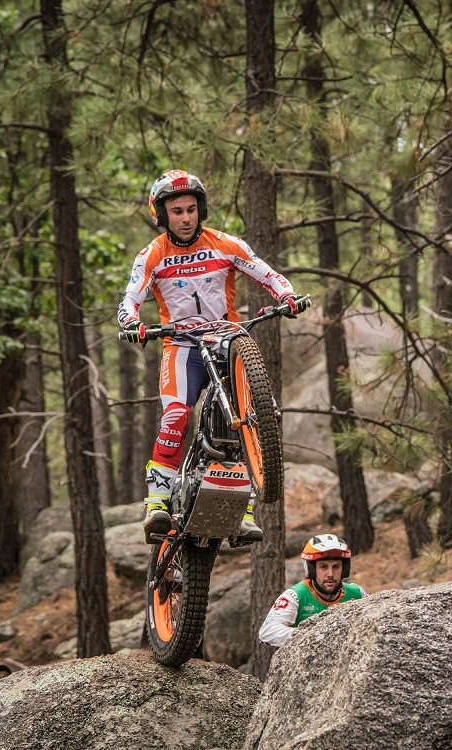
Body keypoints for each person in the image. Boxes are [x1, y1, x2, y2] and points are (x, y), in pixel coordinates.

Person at [118, 169, 304, 544]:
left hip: (225, 342)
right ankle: (157, 501)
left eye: (191, 209)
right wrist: (132, 323)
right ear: (163, 215)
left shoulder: (225, 244)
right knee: (176, 414)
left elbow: (270, 275)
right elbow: (130, 301)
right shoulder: (152, 254)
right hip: (182, 346)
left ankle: (243, 510)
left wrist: (287, 296)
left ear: (200, 210)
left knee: (241, 421)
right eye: (177, 212)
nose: (185, 218)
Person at [259, 534, 367, 647]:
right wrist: (312, 636)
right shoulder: (295, 595)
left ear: (344, 569)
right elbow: (267, 632)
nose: (330, 574)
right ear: (311, 569)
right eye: (323, 567)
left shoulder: (357, 593)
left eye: (336, 567)